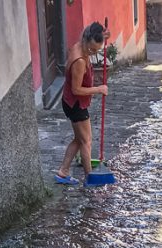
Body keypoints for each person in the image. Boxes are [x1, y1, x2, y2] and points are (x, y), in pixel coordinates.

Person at [54, 22, 110, 185]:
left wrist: (104, 35)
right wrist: (98, 89)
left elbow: (96, 32)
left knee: (79, 139)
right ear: (86, 40)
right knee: (86, 141)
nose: (93, 53)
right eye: (91, 49)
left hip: (71, 102)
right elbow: (76, 89)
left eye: (97, 50)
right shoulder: (79, 60)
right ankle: (89, 178)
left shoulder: (80, 44)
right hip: (76, 104)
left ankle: (63, 172)